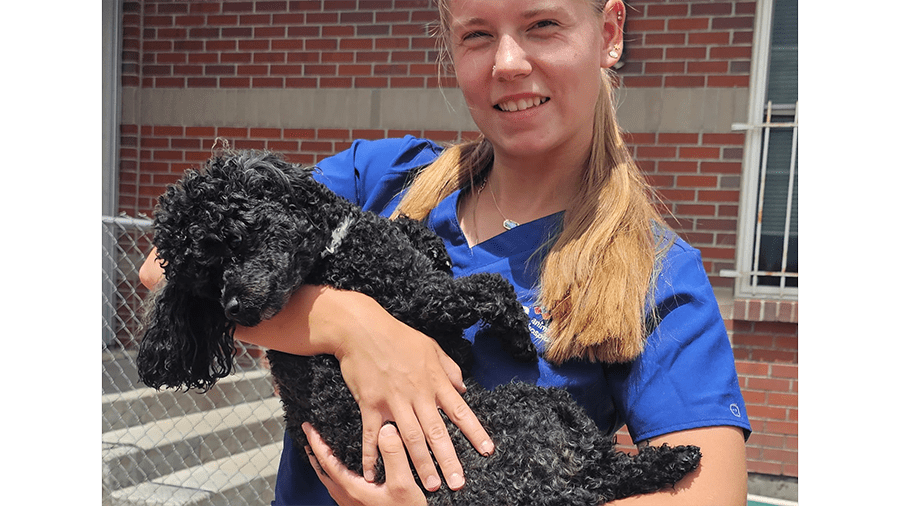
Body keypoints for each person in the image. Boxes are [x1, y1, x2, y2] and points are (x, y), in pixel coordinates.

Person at [140, 0, 752, 504]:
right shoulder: (381, 179)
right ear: (451, 47)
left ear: (609, 33)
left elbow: (708, 495)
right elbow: (165, 266)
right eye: (478, 34)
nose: (509, 63)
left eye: (543, 25)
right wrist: (349, 324)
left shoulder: (656, 276)